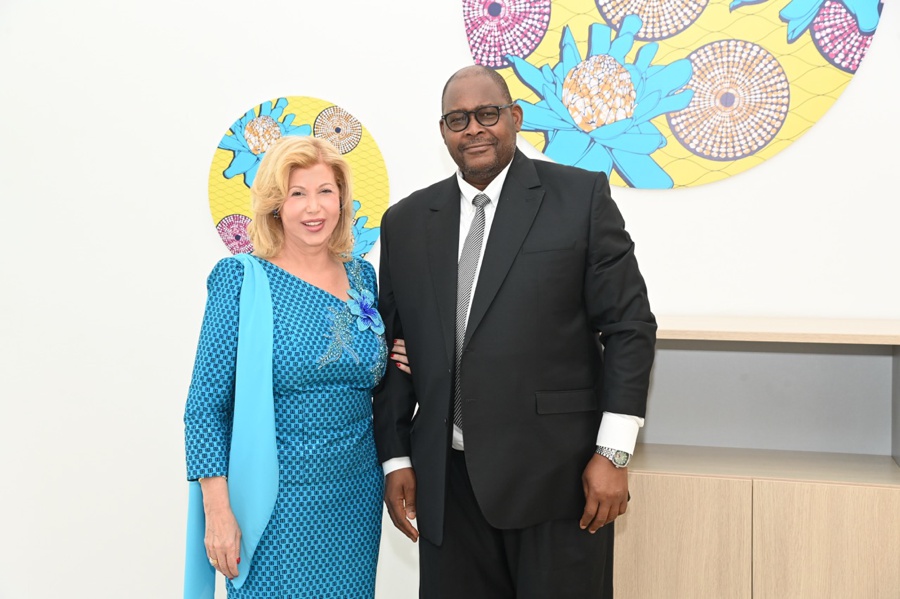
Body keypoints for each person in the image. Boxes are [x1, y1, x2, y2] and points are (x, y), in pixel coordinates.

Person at [373, 65, 656, 598]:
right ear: (443, 131)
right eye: (458, 119)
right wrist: (396, 457)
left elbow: (629, 327)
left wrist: (614, 453)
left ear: (515, 117)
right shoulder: (406, 222)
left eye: (488, 114)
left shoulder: (579, 197)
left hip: (558, 481)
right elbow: (393, 349)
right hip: (447, 487)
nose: (474, 129)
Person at [183, 135, 407, 598]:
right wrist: (217, 511)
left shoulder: (362, 276)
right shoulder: (241, 280)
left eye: (325, 191)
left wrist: (408, 355)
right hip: (274, 500)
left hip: (355, 496)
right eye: (297, 193)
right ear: (274, 204)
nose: (313, 207)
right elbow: (204, 407)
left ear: (342, 199)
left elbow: (370, 371)